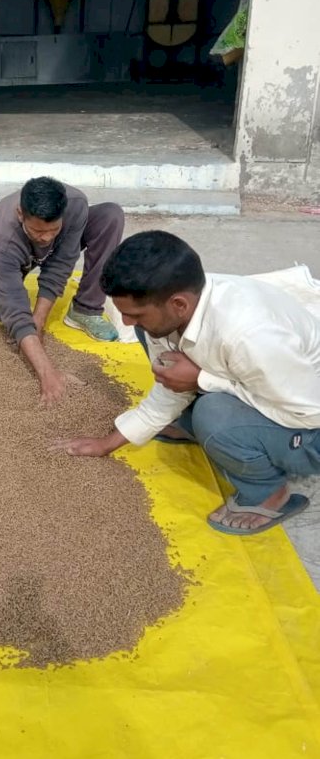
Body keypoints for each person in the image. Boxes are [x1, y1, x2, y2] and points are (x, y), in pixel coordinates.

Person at [54, 230, 320, 536]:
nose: (125, 323)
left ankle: (268, 493)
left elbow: (308, 412)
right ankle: (199, 423)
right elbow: (170, 387)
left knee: (214, 415)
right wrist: (107, 444)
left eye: (135, 313)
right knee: (152, 335)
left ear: (179, 304)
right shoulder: (179, 303)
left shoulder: (250, 336)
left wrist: (203, 380)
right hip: (265, 383)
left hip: (308, 425)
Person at [0, 177, 124, 404]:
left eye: (52, 229)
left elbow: (61, 264)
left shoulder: (75, 205)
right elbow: (14, 304)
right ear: (20, 214)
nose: (45, 237)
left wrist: (39, 319)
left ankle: (86, 308)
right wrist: (47, 373)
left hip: (55, 250)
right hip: (8, 257)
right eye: (37, 231)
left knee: (110, 216)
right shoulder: (4, 234)